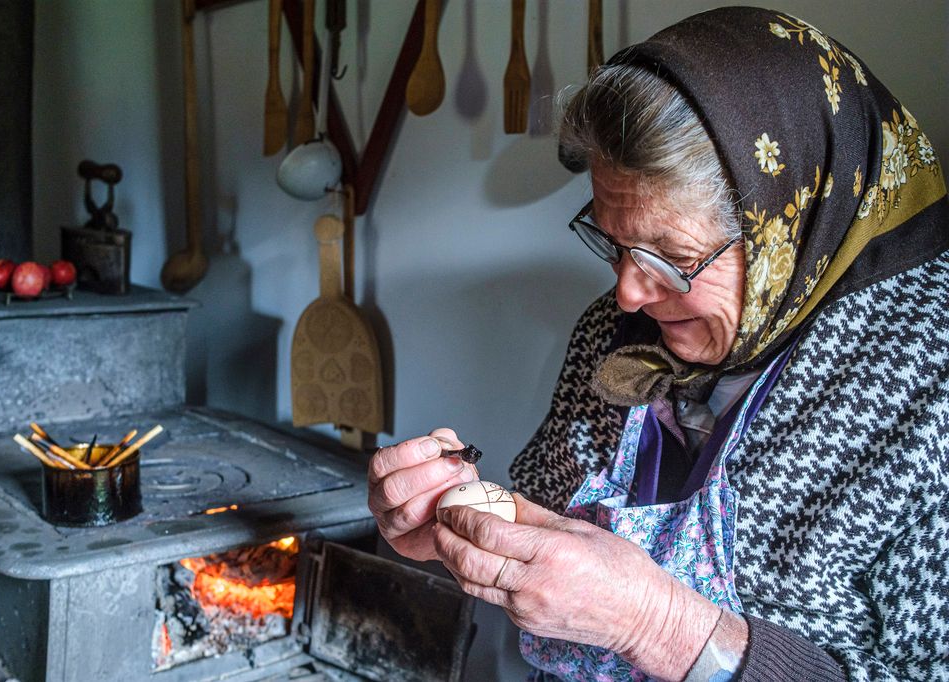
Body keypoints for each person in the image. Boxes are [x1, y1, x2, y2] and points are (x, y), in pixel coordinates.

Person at [367, 7, 948, 681]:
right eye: (614, 246)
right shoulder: (614, 338)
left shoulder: (927, 388)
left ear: (791, 226)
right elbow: (547, 526)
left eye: (671, 259)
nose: (628, 295)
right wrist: (453, 525)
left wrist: (653, 621)